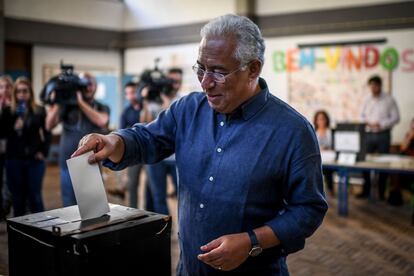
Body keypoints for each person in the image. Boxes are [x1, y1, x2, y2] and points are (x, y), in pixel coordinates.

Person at [73, 14, 327, 275]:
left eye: (218, 71)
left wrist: (251, 242)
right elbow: (146, 138)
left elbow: (308, 209)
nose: (205, 82)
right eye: (201, 68)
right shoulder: (188, 109)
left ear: (253, 69)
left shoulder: (292, 131)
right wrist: (114, 141)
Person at [46, 73, 110, 207]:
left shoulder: (100, 106)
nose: (88, 87)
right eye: (84, 84)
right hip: (68, 163)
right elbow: (49, 125)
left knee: (94, 207)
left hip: (91, 162)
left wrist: (80, 103)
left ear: (96, 87)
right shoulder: (67, 107)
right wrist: (59, 101)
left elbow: (101, 120)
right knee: (70, 207)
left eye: (91, 83)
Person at [3, 77, 50, 216]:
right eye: (18, 91)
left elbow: (47, 133)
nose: (21, 94)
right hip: (14, 159)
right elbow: (3, 133)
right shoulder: (8, 111)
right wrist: (14, 127)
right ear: (14, 94)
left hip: (34, 160)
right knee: (18, 199)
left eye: (25, 91)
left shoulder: (39, 110)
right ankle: (19, 234)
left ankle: (40, 233)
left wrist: (43, 151)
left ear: (30, 93)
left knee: (35, 197)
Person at [145, 67, 182, 214]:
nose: (174, 84)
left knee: (183, 196)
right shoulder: (154, 100)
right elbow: (146, 124)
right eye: (171, 81)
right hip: (156, 157)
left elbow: (178, 127)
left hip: (176, 158)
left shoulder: (183, 101)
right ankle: (164, 232)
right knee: (159, 197)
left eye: (178, 81)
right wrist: (146, 101)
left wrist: (167, 105)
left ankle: (182, 231)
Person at [359, 75, 400, 199]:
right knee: (364, 162)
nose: (373, 88)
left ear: (380, 85)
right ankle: (366, 191)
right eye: (371, 86)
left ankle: (381, 193)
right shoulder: (367, 99)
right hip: (369, 134)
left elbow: (396, 117)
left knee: (384, 163)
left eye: (375, 85)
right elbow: (361, 115)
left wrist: (381, 124)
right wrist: (367, 122)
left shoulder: (389, 99)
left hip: (383, 134)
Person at [108, 81, 143, 207]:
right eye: (127, 94)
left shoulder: (148, 106)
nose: (130, 96)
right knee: (133, 184)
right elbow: (121, 134)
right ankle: (135, 213)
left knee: (152, 188)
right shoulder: (126, 112)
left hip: (152, 149)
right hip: (136, 152)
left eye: (133, 92)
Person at [0, 75, 13, 219]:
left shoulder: (17, 105)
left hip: (11, 151)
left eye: (7, 87)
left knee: (8, 183)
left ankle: (6, 208)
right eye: (2, 87)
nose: (4, 90)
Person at [313, 110, 334, 196]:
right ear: (316, 121)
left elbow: (334, 146)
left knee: (328, 170)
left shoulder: (331, 132)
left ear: (326, 120)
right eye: (319, 119)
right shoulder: (313, 131)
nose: (321, 121)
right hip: (318, 158)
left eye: (323, 119)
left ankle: (330, 189)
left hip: (329, 158)